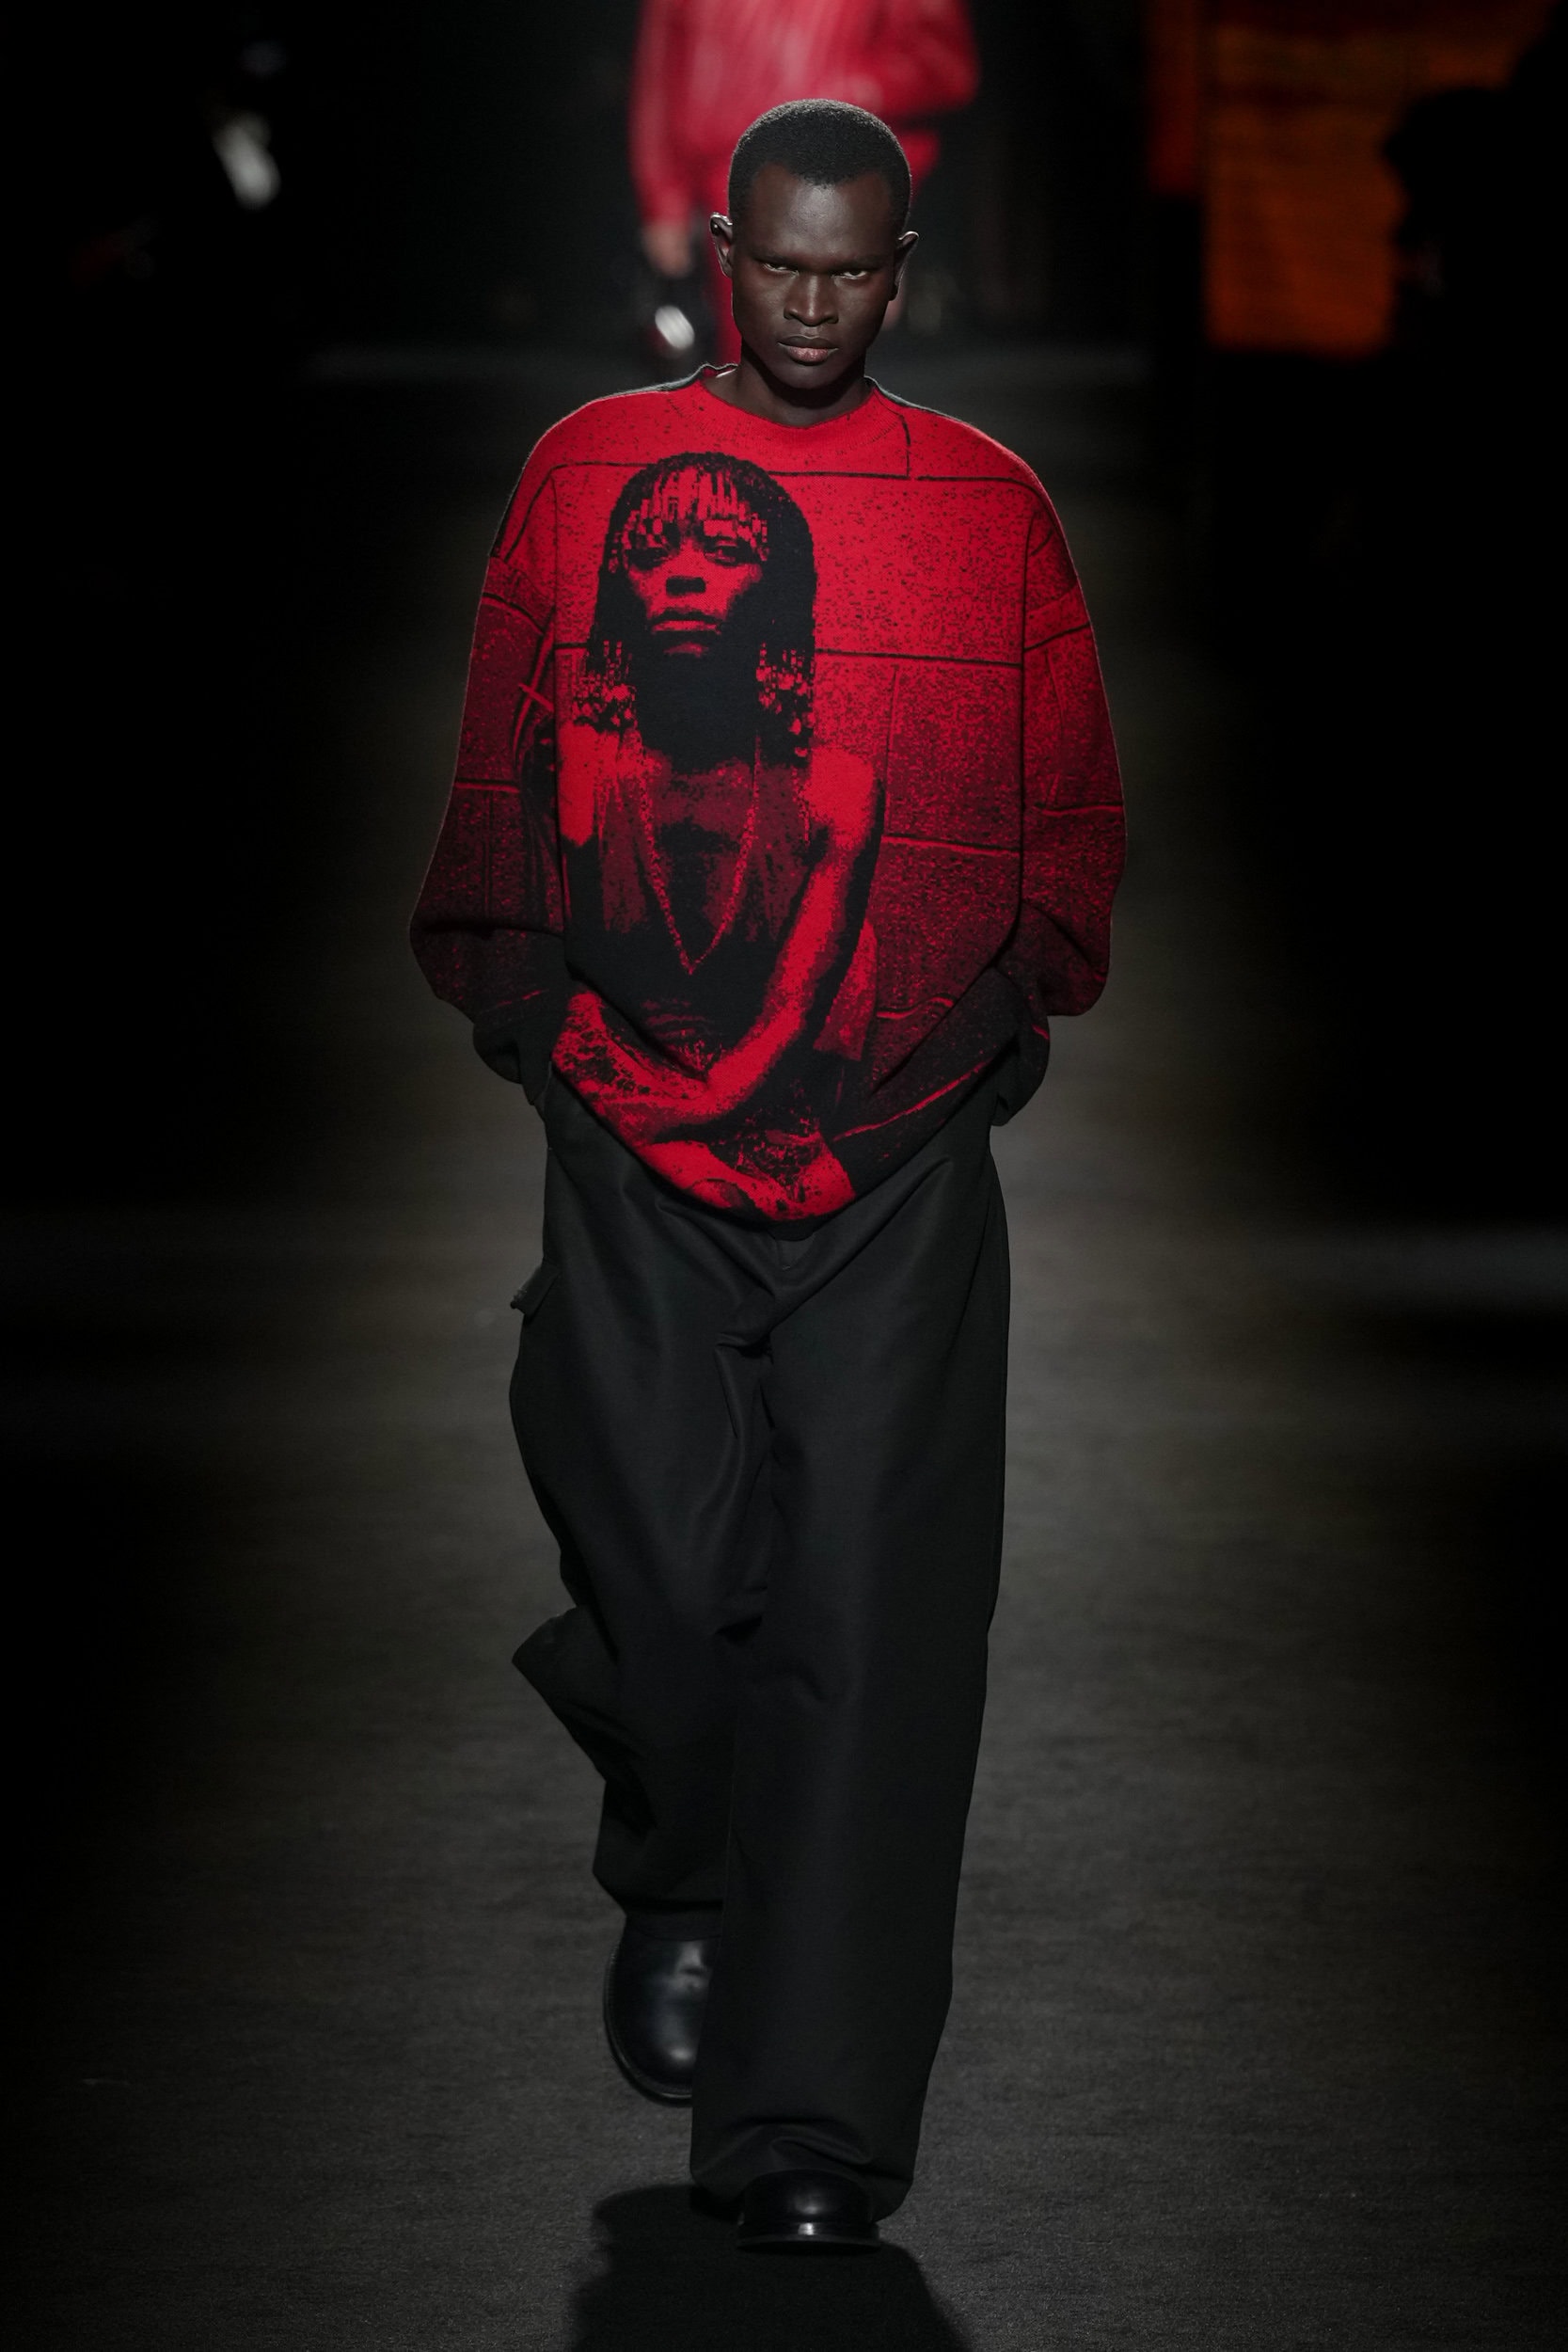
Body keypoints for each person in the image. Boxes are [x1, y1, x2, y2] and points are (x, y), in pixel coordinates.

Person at [412, 99, 1123, 2253]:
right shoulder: (588, 473)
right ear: (726, 253)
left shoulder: (985, 508)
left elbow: (1061, 802)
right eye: (780, 264)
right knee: (658, 1570)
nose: (813, 305)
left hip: (894, 1153)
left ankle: (810, 2129)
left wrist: (995, 1016)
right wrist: (538, 1022)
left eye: (852, 270)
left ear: (900, 269)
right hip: (630, 1133)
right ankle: (688, 1857)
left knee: (874, 1628)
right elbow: (503, 766)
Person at [631, 0, 978, 358]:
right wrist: (663, 200)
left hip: (841, 167)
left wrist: (848, 93)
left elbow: (943, 65)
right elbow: (660, 70)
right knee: (751, 354)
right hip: (728, 173)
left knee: (820, 351)